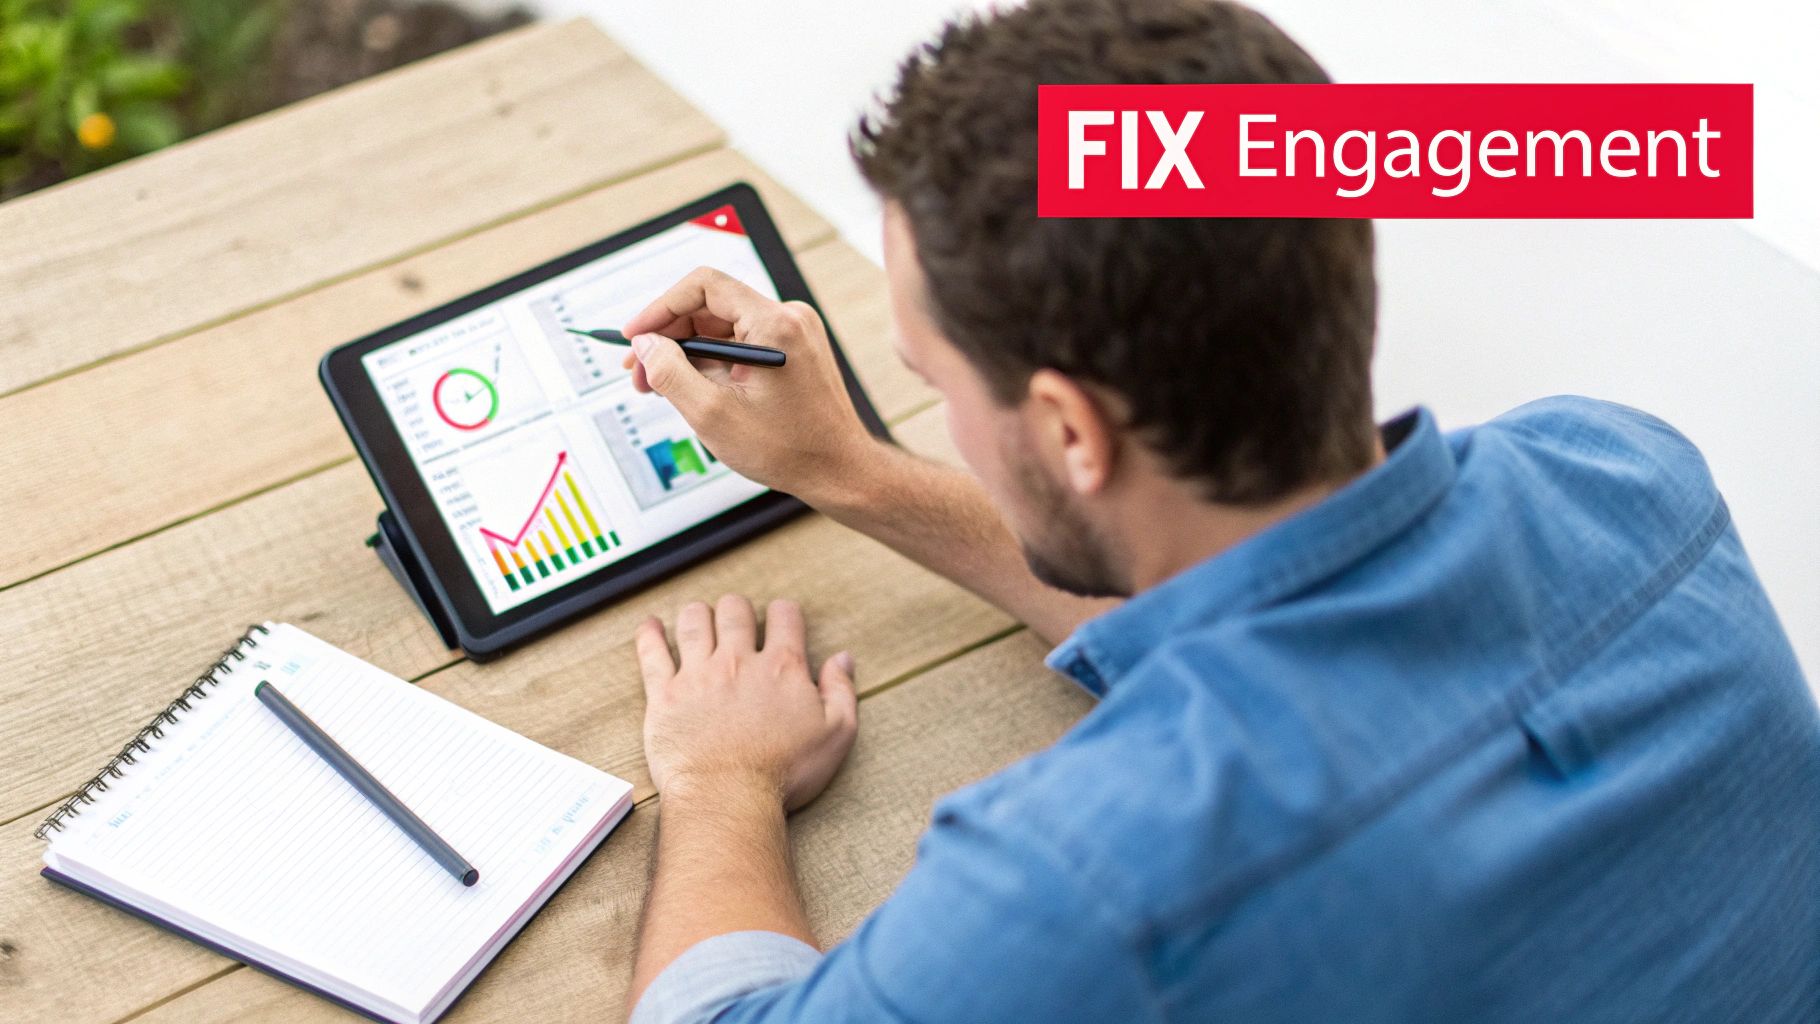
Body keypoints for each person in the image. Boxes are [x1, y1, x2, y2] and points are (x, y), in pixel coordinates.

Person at [617, 1, 1820, 1021]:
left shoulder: (1079, 882)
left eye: (932, 381)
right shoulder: (1625, 476)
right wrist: (851, 472)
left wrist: (719, 777)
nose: (935, 407)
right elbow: (1251, 601)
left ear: (1071, 432)